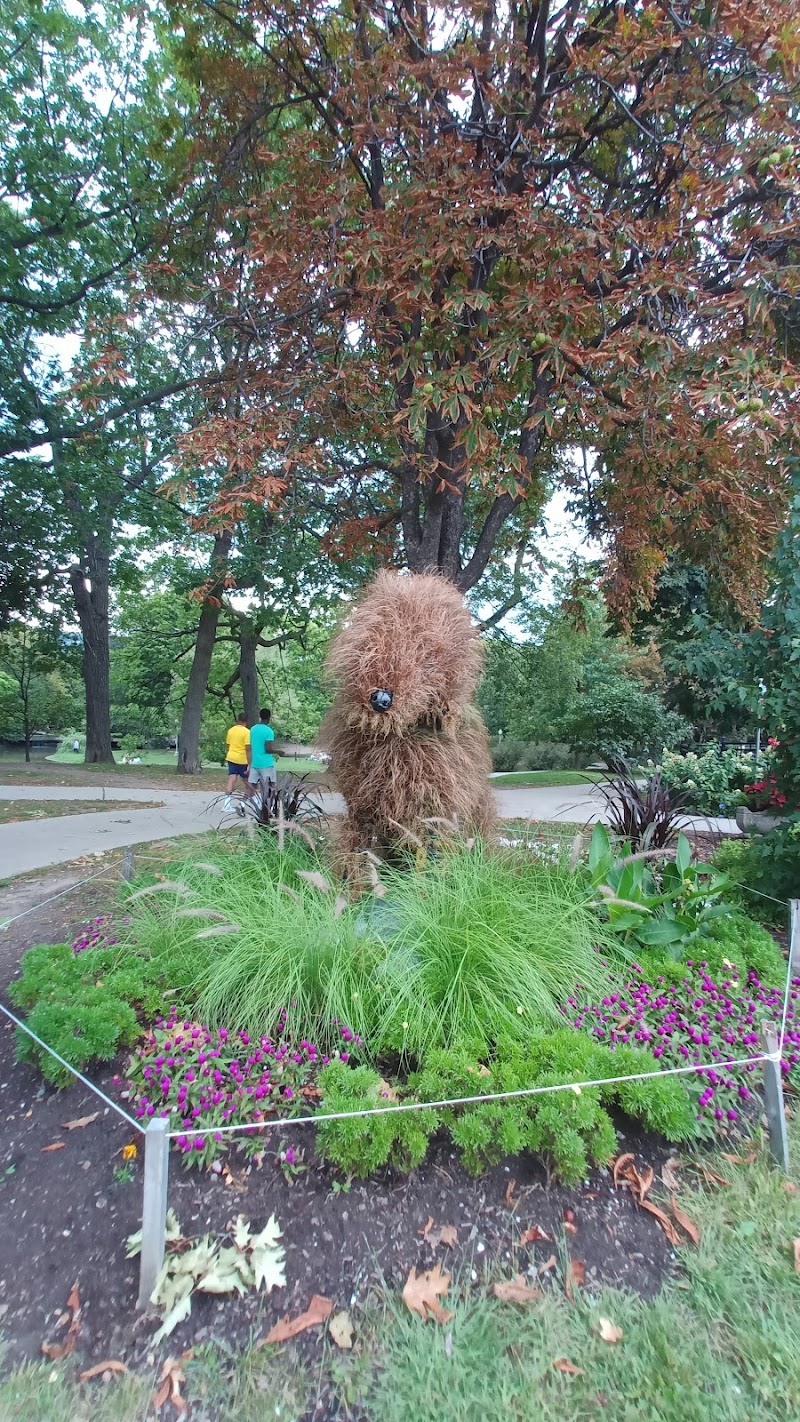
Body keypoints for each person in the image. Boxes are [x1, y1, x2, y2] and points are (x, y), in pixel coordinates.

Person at [248, 707, 277, 803]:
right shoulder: (269, 731)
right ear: (269, 717)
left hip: (255, 762)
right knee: (269, 785)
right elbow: (268, 749)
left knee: (252, 785)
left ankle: (242, 804)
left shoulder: (253, 729)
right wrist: (278, 752)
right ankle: (267, 805)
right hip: (266, 763)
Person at [224, 712, 251, 810]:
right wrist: (249, 763)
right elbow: (247, 749)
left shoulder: (231, 730)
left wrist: (230, 752)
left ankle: (226, 804)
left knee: (232, 779)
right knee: (247, 781)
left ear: (238, 720)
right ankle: (247, 802)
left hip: (231, 757)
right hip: (242, 759)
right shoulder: (247, 732)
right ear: (246, 721)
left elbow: (228, 745)